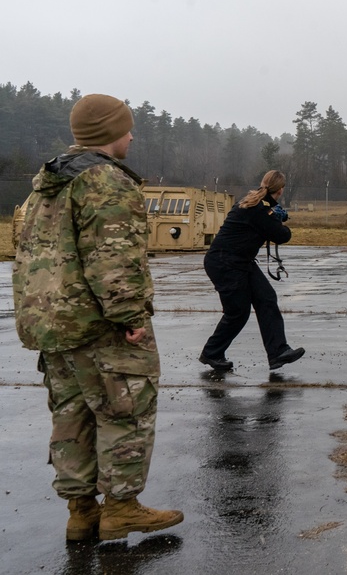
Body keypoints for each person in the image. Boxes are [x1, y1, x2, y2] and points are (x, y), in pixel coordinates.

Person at [12, 93, 184, 541]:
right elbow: (113, 257)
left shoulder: (44, 186)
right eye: (127, 128)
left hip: (52, 327)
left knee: (71, 417)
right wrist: (129, 316)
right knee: (124, 410)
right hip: (97, 324)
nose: (132, 135)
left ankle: (81, 511)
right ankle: (122, 508)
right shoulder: (105, 182)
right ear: (110, 132)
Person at [199, 170, 305, 372]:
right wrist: (278, 219)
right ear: (281, 189)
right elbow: (282, 235)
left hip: (239, 261)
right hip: (225, 262)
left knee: (266, 298)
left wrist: (274, 214)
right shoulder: (260, 209)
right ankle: (212, 353)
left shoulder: (255, 203)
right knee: (238, 311)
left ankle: (278, 352)